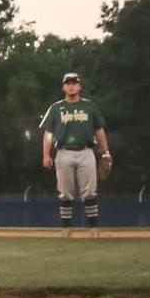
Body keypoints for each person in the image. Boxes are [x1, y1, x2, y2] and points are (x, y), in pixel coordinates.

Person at [39, 72, 112, 237]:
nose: (71, 86)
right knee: (65, 191)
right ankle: (66, 229)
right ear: (63, 87)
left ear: (80, 86)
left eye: (74, 83)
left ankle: (93, 229)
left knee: (90, 191)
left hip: (86, 151)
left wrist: (105, 151)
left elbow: (99, 130)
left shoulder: (90, 106)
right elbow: (48, 134)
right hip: (64, 151)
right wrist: (46, 155)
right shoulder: (56, 108)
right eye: (68, 83)